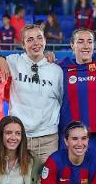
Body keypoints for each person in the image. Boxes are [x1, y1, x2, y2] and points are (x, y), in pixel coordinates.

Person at [5, 25, 63, 167]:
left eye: (39, 38)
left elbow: (61, 101)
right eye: (30, 39)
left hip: (48, 140)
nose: (36, 43)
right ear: (23, 44)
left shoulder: (56, 71)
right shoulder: (12, 62)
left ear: (45, 41)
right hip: (19, 138)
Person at [58, 28, 96, 156]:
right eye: (80, 41)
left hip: (95, 135)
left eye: (89, 41)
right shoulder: (61, 67)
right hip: (68, 134)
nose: (86, 46)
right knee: (68, 175)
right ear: (72, 45)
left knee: (95, 174)